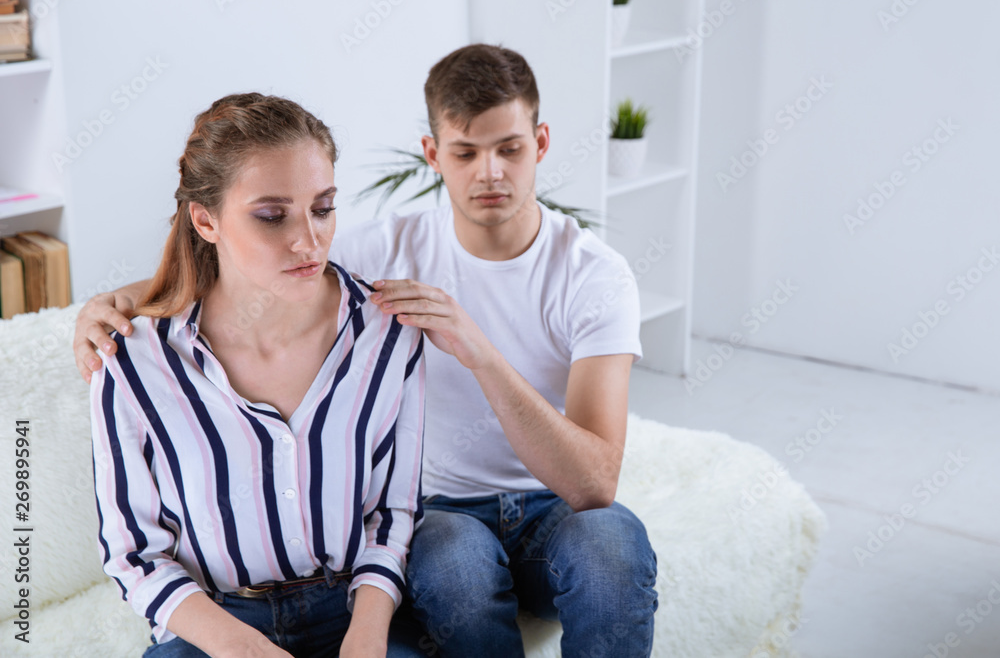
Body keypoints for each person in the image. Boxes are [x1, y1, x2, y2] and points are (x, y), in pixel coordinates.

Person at [76, 45, 657, 657]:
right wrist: (115, 304)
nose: (489, 172)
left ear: (540, 143)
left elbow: (595, 485)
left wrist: (479, 353)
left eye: (509, 148)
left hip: (547, 511)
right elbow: (250, 268)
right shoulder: (381, 250)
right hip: (444, 515)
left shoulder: (594, 275)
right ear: (433, 153)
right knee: (454, 561)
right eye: (465, 152)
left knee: (612, 545)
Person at [87, 93, 425, 658]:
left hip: (353, 612)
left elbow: (393, 515)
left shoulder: (388, 333)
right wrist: (240, 647)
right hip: (213, 623)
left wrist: (367, 636)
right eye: (272, 216)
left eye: (323, 208)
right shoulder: (132, 359)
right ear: (206, 220)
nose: (309, 241)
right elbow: (133, 553)